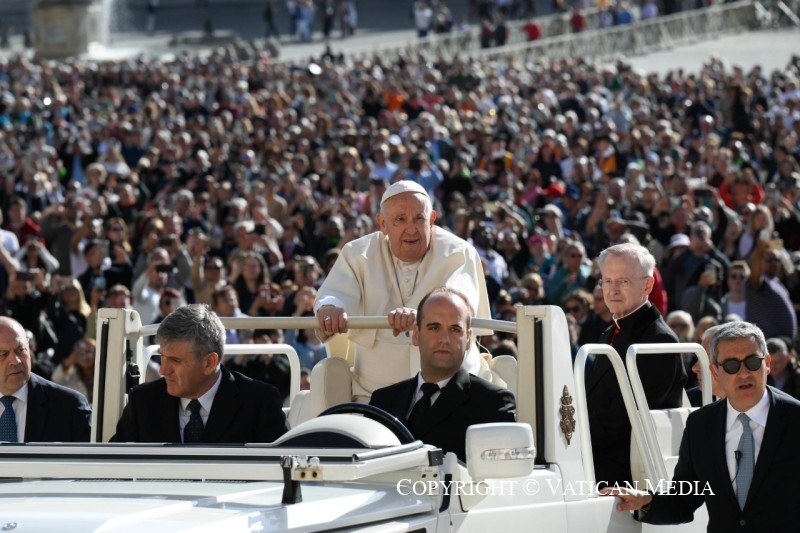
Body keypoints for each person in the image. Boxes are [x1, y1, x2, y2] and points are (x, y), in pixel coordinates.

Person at [603, 321, 800, 532]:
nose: (743, 373)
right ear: (715, 372)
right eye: (732, 366)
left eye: (752, 362)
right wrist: (647, 501)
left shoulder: (795, 419)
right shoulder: (701, 425)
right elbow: (684, 499)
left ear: (767, 363)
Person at [314, 180, 491, 401]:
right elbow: (335, 293)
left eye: (419, 219)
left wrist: (424, 316)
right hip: (373, 392)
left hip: (449, 392)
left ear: (432, 219)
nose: (412, 229)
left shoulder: (458, 252)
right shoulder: (357, 253)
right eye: (400, 220)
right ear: (383, 224)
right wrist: (330, 307)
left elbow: (458, 299)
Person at [369, 287, 516, 462]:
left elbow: (503, 481)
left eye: (455, 329)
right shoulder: (382, 402)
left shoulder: (493, 403)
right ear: (416, 335)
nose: (444, 339)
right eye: (434, 327)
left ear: (468, 339)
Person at [110, 304, 287, 444]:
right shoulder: (142, 402)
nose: (163, 370)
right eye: (162, 357)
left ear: (209, 363)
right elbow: (113, 469)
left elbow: (279, 473)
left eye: (175, 361)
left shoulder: (259, 402)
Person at [586, 243, 686, 488]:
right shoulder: (612, 331)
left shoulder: (658, 341)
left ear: (648, 285)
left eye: (623, 281)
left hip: (626, 473)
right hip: (598, 456)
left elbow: (625, 420)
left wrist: (572, 438)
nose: (613, 290)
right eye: (607, 281)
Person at [0, 316, 91, 442]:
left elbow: (87, 460)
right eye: (3, 354)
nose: (16, 361)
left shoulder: (70, 407)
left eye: (21, 350)